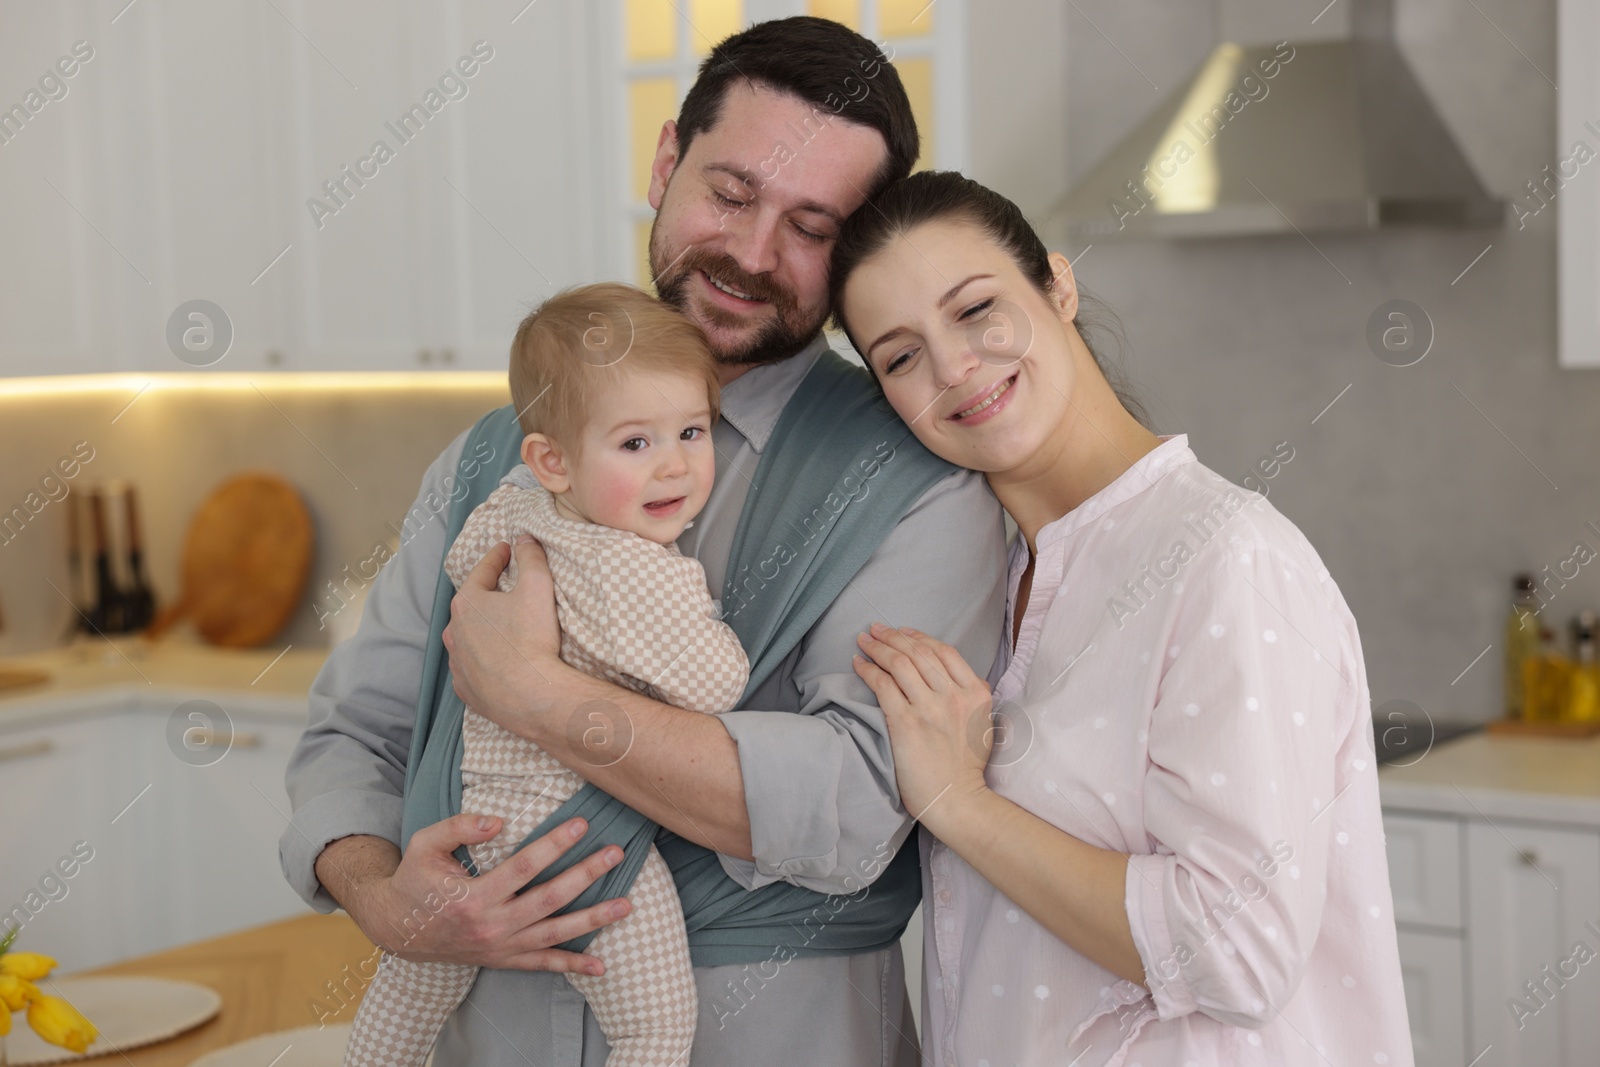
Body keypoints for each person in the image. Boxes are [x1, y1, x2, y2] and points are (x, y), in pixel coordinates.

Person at [281, 18, 1010, 1067]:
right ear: (666, 161)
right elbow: (357, 729)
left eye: (811, 226)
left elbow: (857, 797)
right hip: (485, 1032)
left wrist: (538, 696)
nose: (753, 254)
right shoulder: (499, 452)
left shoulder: (918, 485)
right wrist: (380, 894)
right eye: (730, 193)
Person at [835, 171, 1413, 1066]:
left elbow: (1239, 951)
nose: (953, 367)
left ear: (1057, 286)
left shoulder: (1225, 558)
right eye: (900, 355)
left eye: (976, 309)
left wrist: (961, 806)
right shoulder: (989, 583)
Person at [343, 283, 749, 1067]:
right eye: (635, 443)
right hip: (571, 841)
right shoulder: (638, 569)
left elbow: (465, 563)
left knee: (409, 993)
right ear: (553, 459)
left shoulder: (511, 513)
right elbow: (716, 685)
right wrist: (701, 607)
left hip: (464, 824)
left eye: (693, 431)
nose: (675, 466)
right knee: (655, 1028)